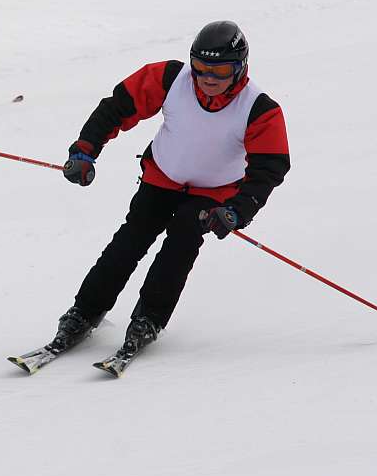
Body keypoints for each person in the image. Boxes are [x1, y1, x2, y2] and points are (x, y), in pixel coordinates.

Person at [49, 21, 290, 365]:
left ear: (240, 68)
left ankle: (149, 318)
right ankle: (84, 312)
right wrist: (84, 151)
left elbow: (270, 167)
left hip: (213, 193)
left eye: (221, 70)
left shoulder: (259, 109)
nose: (208, 77)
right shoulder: (170, 78)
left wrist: (238, 210)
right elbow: (116, 107)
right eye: (201, 67)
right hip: (162, 177)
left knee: (181, 244)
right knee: (129, 241)